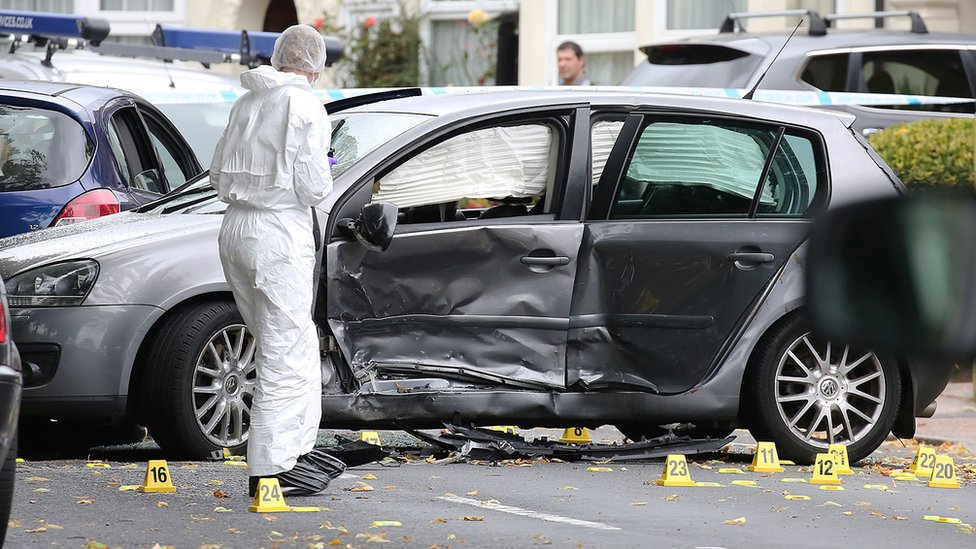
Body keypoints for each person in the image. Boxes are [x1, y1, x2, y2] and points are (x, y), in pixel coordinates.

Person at [210, 24, 346, 497]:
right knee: (285, 349)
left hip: (236, 228)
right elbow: (313, 188)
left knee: (288, 342)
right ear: (316, 64)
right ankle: (271, 468)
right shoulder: (306, 104)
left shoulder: (247, 101)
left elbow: (216, 172)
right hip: (277, 234)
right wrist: (328, 165)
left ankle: (297, 447)